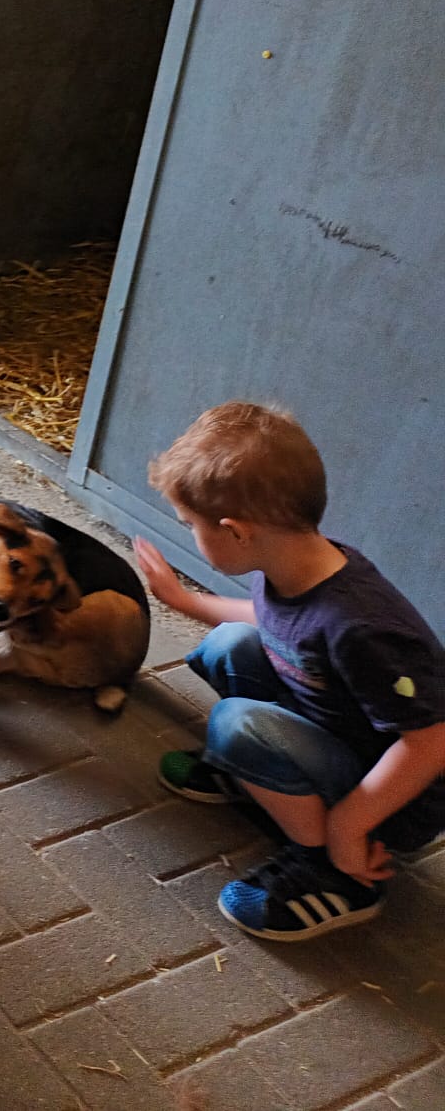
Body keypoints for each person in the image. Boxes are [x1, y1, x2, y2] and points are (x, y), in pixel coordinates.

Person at [138, 402, 445, 941]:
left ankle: (335, 871)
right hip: (337, 731)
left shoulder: (362, 626)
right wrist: (184, 601)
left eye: (191, 525)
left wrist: (350, 828)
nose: (188, 533)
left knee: (236, 724)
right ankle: (260, 779)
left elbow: (432, 742)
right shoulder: (292, 563)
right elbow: (270, 621)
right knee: (229, 645)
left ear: (236, 531)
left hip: (397, 797)